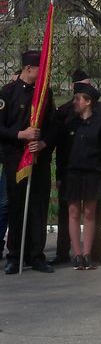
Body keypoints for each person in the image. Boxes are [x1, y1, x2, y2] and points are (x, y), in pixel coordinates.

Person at [0, 50, 56, 274]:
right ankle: (15, 255)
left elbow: (54, 127)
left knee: (38, 207)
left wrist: (43, 143)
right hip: (15, 159)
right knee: (15, 207)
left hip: (38, 159)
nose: (43, 74)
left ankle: (37, 255)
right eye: (40, 69)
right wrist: (21, 135)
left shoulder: (45, 94)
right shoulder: (8, 93)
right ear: (28, 69)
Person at [57, 82, 101, 271]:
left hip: (92, 173)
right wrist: (59, 175)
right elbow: (62, 153)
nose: (75, 102)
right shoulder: (69, 123)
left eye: (78, 99)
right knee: (73, 212)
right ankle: (77, 253)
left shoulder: (100, 124)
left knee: (89, 213)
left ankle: (88, 253)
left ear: (88, 102)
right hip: (72, 173)